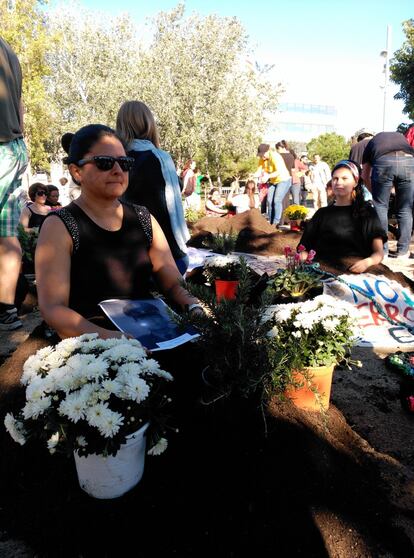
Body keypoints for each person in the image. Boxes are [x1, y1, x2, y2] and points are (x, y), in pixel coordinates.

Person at [35, 124, 203, 342]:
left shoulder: (144, 218)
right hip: (93, 343)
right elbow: (53, 309)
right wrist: (116, 340)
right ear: (77, 171)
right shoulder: (60, 225)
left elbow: (173, 283)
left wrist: (194, 307)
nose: (117, 170)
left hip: (152, 331)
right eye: (104, 163)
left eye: (125, 163)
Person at [116, 101, 190, 274]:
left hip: (129, 252)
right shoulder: (160, 158)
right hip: (168, 251)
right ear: (148, 123)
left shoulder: (116, 160)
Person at [299, 160, 386, 273]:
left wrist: (367, 262)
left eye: (345, 179)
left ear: (355, 182)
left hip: (356, 271)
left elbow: (378, 253)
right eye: (335, 179)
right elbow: (304, 248)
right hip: (322, 271)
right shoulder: (321, 214)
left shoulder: (367, 213)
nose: (338, 182)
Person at [0, 37, 29, 329]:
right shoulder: (9, 48)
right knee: (5, 236)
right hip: (14, 147)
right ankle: (6, 310)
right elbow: (19, 104)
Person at [362, 131, 414, 258]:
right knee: (405, 209)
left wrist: (374, 193)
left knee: (380, 207)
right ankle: (403, 251)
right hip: (408, 161)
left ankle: (382, 251)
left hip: (383, 161)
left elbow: (365, 175)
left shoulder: (371, 144)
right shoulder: (402, 139)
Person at [255, 143, 291, 228]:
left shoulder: (275, 157)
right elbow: (259, 170)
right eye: (260, 155)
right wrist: (253, 175)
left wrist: (267, 176)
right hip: (273, 181)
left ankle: (276, 222)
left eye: (262, 154)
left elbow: (279, 171)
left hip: (283, 180)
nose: (261, 157)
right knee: (269, 201)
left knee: (277, 200)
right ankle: (271, 223)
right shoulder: (262, 159)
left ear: (267, 152)